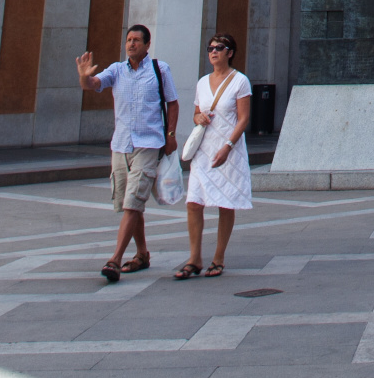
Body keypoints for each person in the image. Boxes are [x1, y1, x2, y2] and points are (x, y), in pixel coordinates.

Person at [77, 22, 177, 282]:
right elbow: (92, 84)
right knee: (129, 203)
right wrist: (84, 75)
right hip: (121, 145)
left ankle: (115, 259)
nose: (131, 43)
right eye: (128, 39)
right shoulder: (117, 70)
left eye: (136, 40)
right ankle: (142, 253)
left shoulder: (159, 69)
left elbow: (172, 102)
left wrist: (170, 135)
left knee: (134, 201)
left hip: (148, 144)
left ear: (146, 45)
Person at [175, 32, 252, 280]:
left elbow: (243, 119)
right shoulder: (202, 82)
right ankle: (194, 258)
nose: (213, 51)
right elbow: (197, 113)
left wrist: (228, 146)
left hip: (228, 148)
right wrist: (198, 117)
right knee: (193, 202)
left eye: (219, 48)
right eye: (210, 48)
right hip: (205, 149)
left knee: (225, 202)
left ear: (230, 53)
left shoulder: (240, 81)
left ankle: (218, 258)